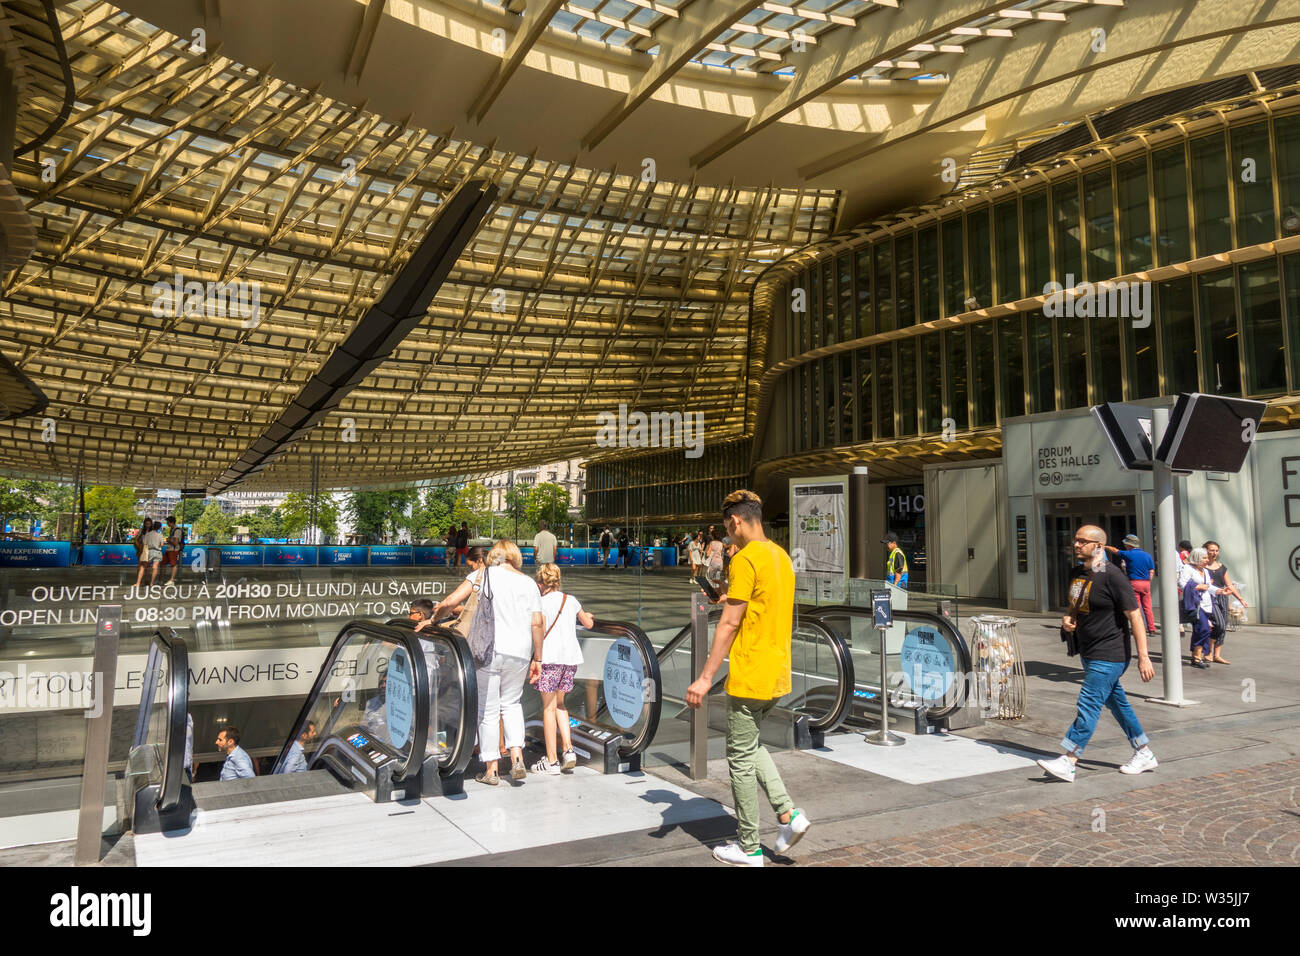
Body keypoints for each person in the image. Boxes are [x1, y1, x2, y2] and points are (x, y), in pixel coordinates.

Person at [686, 490, 810, 866]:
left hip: (750, 672)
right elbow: (758, 604)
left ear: (736, 521)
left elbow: (730, 623)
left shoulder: (745, 559)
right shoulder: (780, 556)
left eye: (727, 527)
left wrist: (705, 677)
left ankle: (749, 846)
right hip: (777, 672)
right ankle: (789, 815)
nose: (727, 534)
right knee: (751, 746)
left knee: (738, 758)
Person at [1036, 525, 1157, 783]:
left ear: (1099, 546)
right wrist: (1067, 620)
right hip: (1088, 650)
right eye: (1075, 540)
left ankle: (1069, 759)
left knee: (1088, 703)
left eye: (1082, 541)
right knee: (1118, 704)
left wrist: (1143, 656)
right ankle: (1143, 751)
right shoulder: (1078, 574)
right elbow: (1074, 606)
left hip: (1111, 652)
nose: (1076, 545)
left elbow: (1135, 616)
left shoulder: (1113, 576)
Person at [432, 540, 543, 785]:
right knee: (512, 704)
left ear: (494, 556)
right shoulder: (529, 583)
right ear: (515, 556)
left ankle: (491, 769)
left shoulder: (483, 574)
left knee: (488, 710)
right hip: (520, 652)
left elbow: (450, 601)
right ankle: (517, 758)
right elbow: (537, 623)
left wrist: (433, 620)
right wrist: (538, 657)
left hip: (488, 649)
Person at [530, 563, 592, 775]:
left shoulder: (540, 603)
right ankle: (569, 750)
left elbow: (539, 628)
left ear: (541, 583)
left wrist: (534, 658)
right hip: (570, 659)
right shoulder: (570, 600)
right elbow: (588, 624)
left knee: (547, 708)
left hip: (549, 658)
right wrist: (589, 616)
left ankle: (552, 760)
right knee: (561, 704)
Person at [1203, 541, 1246, 664]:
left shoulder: (1222, 567)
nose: (1214, 553)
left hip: (1223, 598)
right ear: (1206, 551)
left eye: (1216, 550)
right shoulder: (1203, 568)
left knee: (1223, 626)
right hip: (1210, 597)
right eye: (1211, 550)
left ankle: (1217, 655)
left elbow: (1229, 585)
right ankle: (1208, 652)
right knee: (1219, 624)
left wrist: (1240, 599)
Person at [1104, 533, 1156, 633]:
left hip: (1134, 583)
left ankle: (1138, 627)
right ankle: (1151, 628)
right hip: (1146, 583)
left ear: (1129, 545)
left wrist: (1105, 547)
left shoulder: (1128, 554)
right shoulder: (1147, 555)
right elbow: (1151, 571)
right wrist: (1148, 581)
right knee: (1147, 607)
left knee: (1135, 607)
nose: (1125, 546)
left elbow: (1115, 551)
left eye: (1126, 544)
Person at [1178, 546, 1220, 669]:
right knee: (1204, 629)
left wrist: (1221, 591)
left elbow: (1208, 587)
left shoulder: (1205, 571)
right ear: (1197, 558)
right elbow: (1182, 584)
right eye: (1205, 557)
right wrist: (1198, 587)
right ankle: (1197, 656)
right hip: (1196, 604)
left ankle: (1197, 656)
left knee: (1201, 630)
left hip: (1207, 604)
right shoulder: (1188, 568)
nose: (1207, 560)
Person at [161, 514, 184, 584]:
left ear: (171, 522)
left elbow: (175, 543)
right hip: (169, 549)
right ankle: (162, 579)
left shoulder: (177, 531)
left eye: (167, 522)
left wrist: (168, 540)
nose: (167, 524)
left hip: (173, 550)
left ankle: (172, 580)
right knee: (162, 563)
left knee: (173, 564)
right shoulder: (172, 530)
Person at [133, 518, 155, 589]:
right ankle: (140, 581)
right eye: (146, 524)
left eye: (149, 524)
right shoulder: (141, 531)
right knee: (140, 565)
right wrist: (139, 547)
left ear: (151, 524)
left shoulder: (153, 532)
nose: (147, 525)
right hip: (142, 549)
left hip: (149, 549)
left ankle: (146, 580)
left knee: (147, 566)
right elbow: (136, 539)